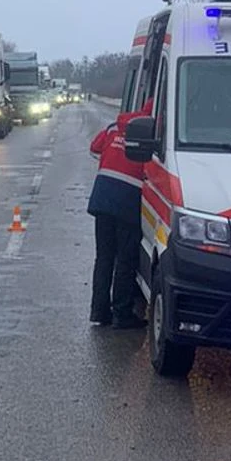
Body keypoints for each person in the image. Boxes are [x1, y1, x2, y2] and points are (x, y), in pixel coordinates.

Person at [87, 101, 151, 329]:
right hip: (127, 198)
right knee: (125, 258)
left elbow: (94, 149)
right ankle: (122, 314)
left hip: (102, 195)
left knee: (104, 257)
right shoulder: (153, 132)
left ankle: (99, 311)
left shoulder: (115, 126)